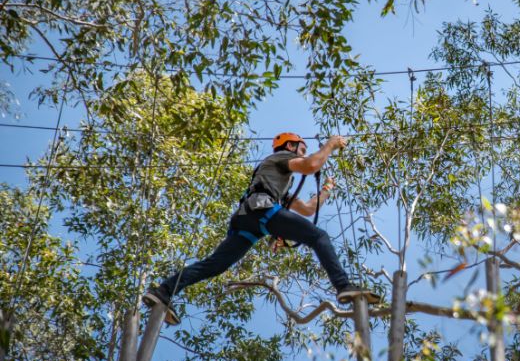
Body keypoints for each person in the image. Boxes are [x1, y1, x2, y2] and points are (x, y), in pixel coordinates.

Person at [142, 132, 374, 325]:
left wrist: (327, 190)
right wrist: (331, 144)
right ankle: (343, 286)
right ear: (290, 146)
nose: (304, 153)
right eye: (302, 149)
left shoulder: (277, 183)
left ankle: (163, 291)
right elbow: (311, 164)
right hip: (261, 210)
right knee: (319, 236)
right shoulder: (280, 158)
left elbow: (306, 209)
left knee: (213, 266)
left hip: (251, 221)